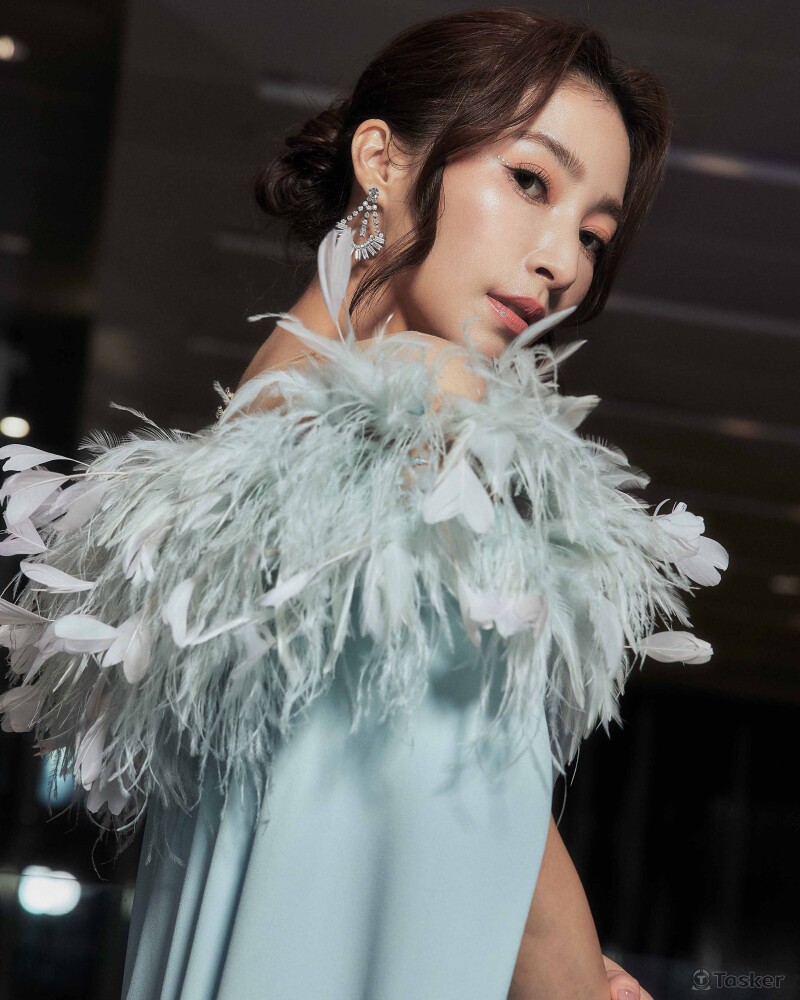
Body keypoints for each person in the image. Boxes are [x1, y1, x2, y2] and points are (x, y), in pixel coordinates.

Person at [0, 8, 729, 1000]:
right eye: (529, 181)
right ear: (382, 160)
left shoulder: (252, 428)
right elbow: (485, 789)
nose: (563, 262)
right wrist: (575, 979)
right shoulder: (423, 392)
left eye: (592, 235)